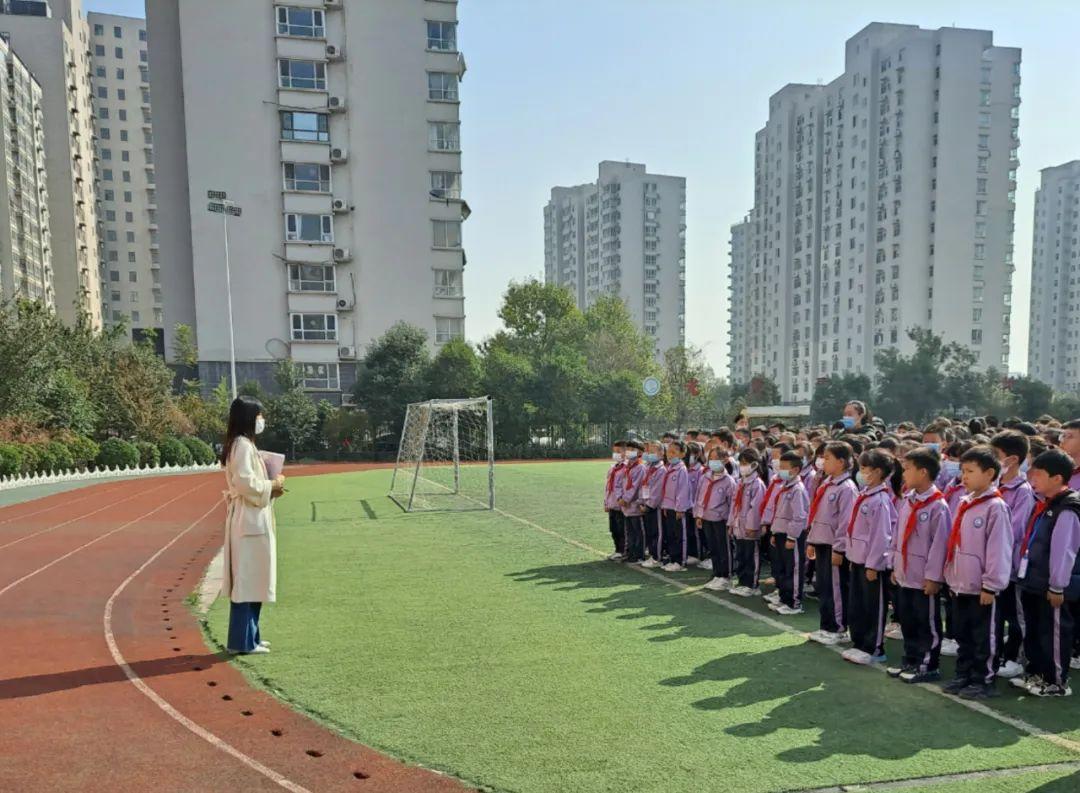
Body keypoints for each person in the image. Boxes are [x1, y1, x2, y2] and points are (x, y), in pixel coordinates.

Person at [937, 446, 1012, 699]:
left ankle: (984, 679)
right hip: (959, 583)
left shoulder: (995, 507)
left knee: (984, 636)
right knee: (963, 633)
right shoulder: (964, 502)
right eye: (962, 471)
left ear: (990, 473)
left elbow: (998, 550)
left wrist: (991, 585)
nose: (964, 477)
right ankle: (964, 674)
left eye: (970, 471)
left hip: (981, 587)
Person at [222, 397, 285, 655]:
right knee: (247, 582)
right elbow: (246, 484)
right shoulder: (242, 446)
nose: (262, 420)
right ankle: (242, 642)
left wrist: (271, 488)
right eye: (259, 415)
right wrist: (273, 484)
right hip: (248, 521)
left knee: (255, 580)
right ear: (250, 418)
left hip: (253, 518)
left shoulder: (243, 445)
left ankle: (252, 636)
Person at [1015, 449, 1080, 697]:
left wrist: (1057, 585)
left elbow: (1064, 551)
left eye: (1039, 474)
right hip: (1032, 579)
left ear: (1057, 478)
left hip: (1050, 585)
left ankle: (1055, 681)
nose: (1033, 478)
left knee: (1053, 633)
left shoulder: (1067, 508)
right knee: (1032, 630)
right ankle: (1035, 673)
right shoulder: (1044, 503)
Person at [888, 447, 950, 683]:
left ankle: (927, 664)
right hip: (905, 573)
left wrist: (933, 577)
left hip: (924, 577)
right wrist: (895, 565)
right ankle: (911, 659)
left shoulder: (937, 506)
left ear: (923, 472)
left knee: (927, 623)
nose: (903, 474)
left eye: (907, 469)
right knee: (908, 620)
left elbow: (939, 545)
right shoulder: (908, 500)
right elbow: (898, 534)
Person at [841, 450, 898, 665]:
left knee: (873, 605)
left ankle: (874, 647)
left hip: (870, 563)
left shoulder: (880, 500)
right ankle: (859, 642)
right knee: (857, 604)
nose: (860, 473)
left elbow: (881, 536)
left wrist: (874, 564)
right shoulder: (866, 495)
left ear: (878, 472)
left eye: (865, 469)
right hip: (857, 559)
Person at [989, 430, 1036, 678]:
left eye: (996, 455)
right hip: (994, 564)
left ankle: (1015, 657)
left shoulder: (1022, 490)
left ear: (1013, 460)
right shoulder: (995, 486)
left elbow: (1014, 530)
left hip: (1012, 565)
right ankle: (995, 654)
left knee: (1015, 615)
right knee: (996, 614)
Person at [806, 441, 858, 646]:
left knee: (836, 588)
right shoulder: (827, 483)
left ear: (842, 462)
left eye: (828, 458)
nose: (823, 462)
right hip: (821, 541)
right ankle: (826, 625)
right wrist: (812, 539)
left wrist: (839, 548)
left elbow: (845, 523)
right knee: (824, 587)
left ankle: (837, 627)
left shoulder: (847, 488)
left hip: (833, 546)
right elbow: (818, 514)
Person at [767, 451, 810, 616]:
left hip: (791, 536)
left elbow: (799, 516)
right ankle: (784, 598)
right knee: (783, 568)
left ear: (796, 470)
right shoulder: (785, 487)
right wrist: (774, 531)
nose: (781, 471)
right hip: (780, 533)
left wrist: (792, 536)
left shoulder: (797, 490)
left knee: (793, 569)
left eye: (785, 468)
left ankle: (794, 603)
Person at [696, 446, 736, 590]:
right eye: (710, 459)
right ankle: (717, 573)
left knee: (723, 548)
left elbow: (732, 504)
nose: (713, 462)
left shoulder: (729, 481)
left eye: (716, 459)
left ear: (725, 460)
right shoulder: (705, 478)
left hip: (721, 520)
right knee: (713, 547)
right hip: (707, 517)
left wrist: (731, 522)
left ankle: (726, 576)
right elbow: (699, 497)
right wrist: (699, 514)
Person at [730, 448, 768, 596]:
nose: (742, 466)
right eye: (741, 463)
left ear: (754, 465)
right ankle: (742, 581)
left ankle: (752, 584)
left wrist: (753, 526)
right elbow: (734, 505)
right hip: (739, 526)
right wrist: (731, 523)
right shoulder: (741, 482)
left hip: (749, 528)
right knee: (741, 555)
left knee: (751, 556)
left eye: (745, 463)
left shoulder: (757, 484)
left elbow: (756, 507)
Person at [660, 439, 693, 572]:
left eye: (674, 452)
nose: (670, 454)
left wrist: (680, 508)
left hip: (678, 508)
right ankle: (673, 559)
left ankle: (680, 561)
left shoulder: (681, 470)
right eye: (669, 451)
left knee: (680, 535)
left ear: (682, 454)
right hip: (669, 507)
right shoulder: (669, 468)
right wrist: (665, 506)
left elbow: (683, 490)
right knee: (671, 534)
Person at [639, 441, 667, 568]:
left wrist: (649, 505)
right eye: (649, 452)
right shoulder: (649, 468)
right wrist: (642, 502)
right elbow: (644, 486)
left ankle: (658, 557)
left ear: (661, 453)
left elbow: (657, 491)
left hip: (655, 507)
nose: (650, 454)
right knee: (650, 531)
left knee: (657, 532)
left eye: (653, 452)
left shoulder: (661, 470)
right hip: (646, 505)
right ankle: (652, 554)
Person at [619, 440, 647, 564]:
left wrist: (626, 499)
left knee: (638, 532)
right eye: (628, 449)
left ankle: (639, 554)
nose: (629, 452)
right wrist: (619, 497)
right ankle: (630, 553)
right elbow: (621, 484)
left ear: (640, 452)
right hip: (626, 506)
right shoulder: (627, 467)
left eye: (632, 449)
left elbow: (636, 486)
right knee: (629, 531)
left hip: (635, 505)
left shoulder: (640, 467)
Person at [603, 440, 627, 561]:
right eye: (614, 451)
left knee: (622, 528)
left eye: (619, 451)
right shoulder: (612, 468)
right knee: (613, 529)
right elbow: (608, 486)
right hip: (612, 503)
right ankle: (617, 549)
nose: (616, 454)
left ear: (625, 452)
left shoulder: (626, 468)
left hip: (621, 504)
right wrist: (606, 502)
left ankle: (624, 550)